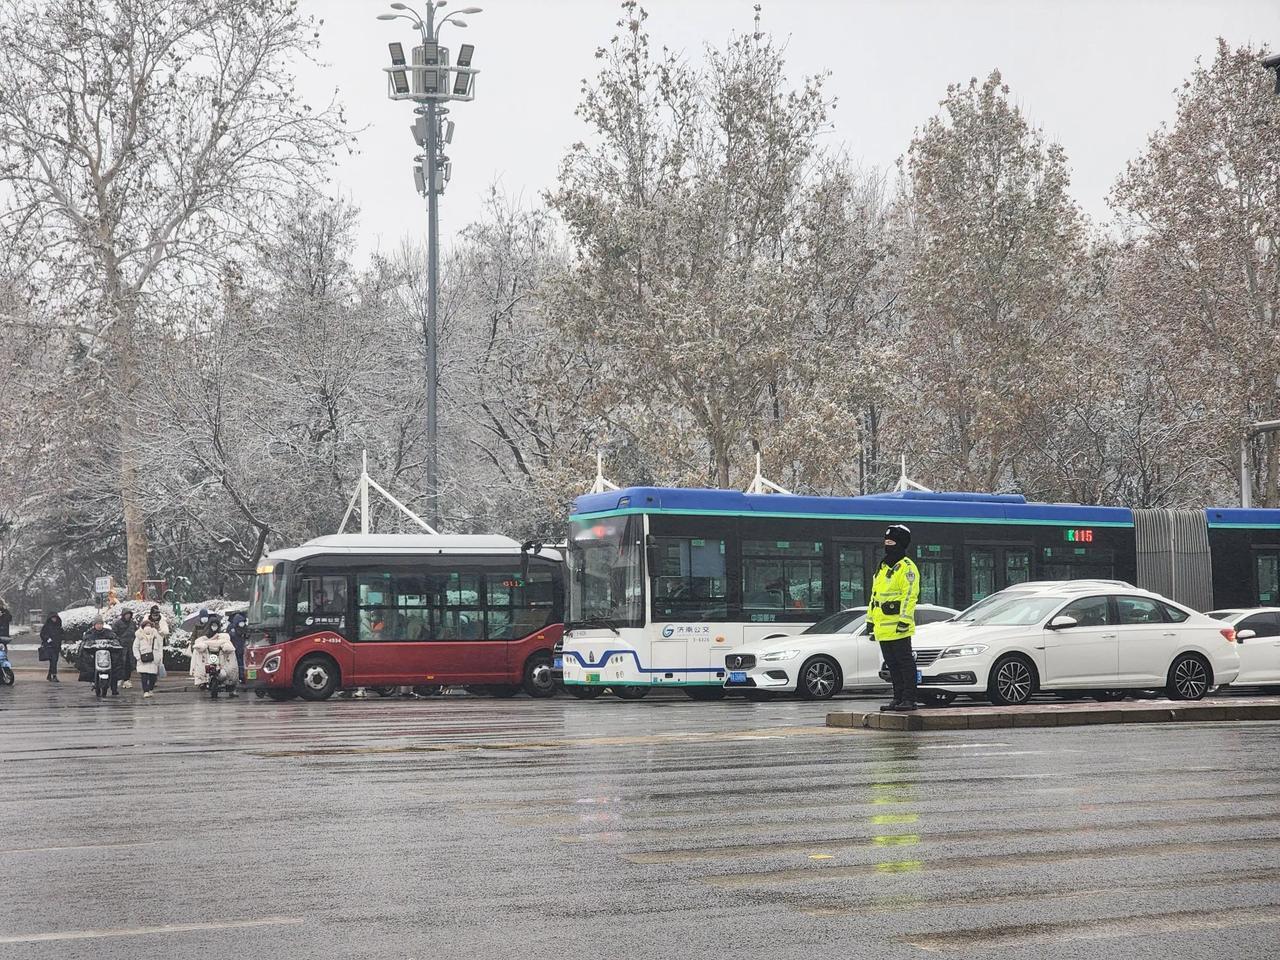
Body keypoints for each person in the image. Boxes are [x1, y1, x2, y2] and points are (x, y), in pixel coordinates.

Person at [868, 524, 922, 712]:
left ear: (900, 544)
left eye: (891, 542)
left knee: (905, 663)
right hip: (883, 628)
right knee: (892, 665)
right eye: (886, 542)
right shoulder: (882, 567)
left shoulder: (906, 568)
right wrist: (870, 620)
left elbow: (910, 596)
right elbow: (874, 596)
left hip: (899, 627)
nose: (887, 545)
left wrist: (904, 620)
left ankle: (909, 699)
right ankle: (898, 697)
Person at [78, 617, 125, 696]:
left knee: (116, 667)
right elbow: (85, 644)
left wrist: (114, 644)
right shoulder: (90, 633)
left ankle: (114, 688)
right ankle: (93, 681)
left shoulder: (109, 633)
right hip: (94, 657)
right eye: (97, 624)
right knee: (89, 666)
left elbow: (116, 640)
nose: (99, 626)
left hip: (108, 657)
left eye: (100, 624)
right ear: (94, 625)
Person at [132, 616, 165, 699]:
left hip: (153, 660)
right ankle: (145, 691)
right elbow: (135, 647)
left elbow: (160, 647)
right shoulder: (139, 636)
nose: (148, 628)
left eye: (149, 626)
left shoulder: (156, 636)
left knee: (153, 677)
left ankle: (150, 689)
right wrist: (138, 657)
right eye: (146, 626)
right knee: (144, 676)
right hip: (142, 660)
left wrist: (159, 658)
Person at [113, 609, 138, 688]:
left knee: (129, 664)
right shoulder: (117, 623)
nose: (128, 616)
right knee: (120, 663)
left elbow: (136, 633)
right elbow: (114, 634)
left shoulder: (132, 623)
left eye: (129, 614)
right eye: (126, 614)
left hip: (130, 647)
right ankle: (119, 678)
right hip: (121, 647)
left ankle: (127, 679)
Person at [40, 613, 65, 681]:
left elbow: (62, 634)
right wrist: (47, 639)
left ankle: (49, 675)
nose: (54, 619)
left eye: (55, 618)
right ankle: (54, 675)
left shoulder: (58, 626)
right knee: (53, 661)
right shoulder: (47, 626)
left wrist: (61, 638)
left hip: (56, 646)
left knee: (54, 661)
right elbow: (42, 634)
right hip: (50, 646)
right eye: (53, 618)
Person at [227, 611, 248, 685]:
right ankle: (239, 678)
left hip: (243, 651)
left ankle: (243, 677)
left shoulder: (245, 630)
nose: (242, 623)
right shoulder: (232, 632)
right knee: (237, 665)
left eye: (242, 622)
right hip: (236, 651)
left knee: (243, 664)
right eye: (240, 622)